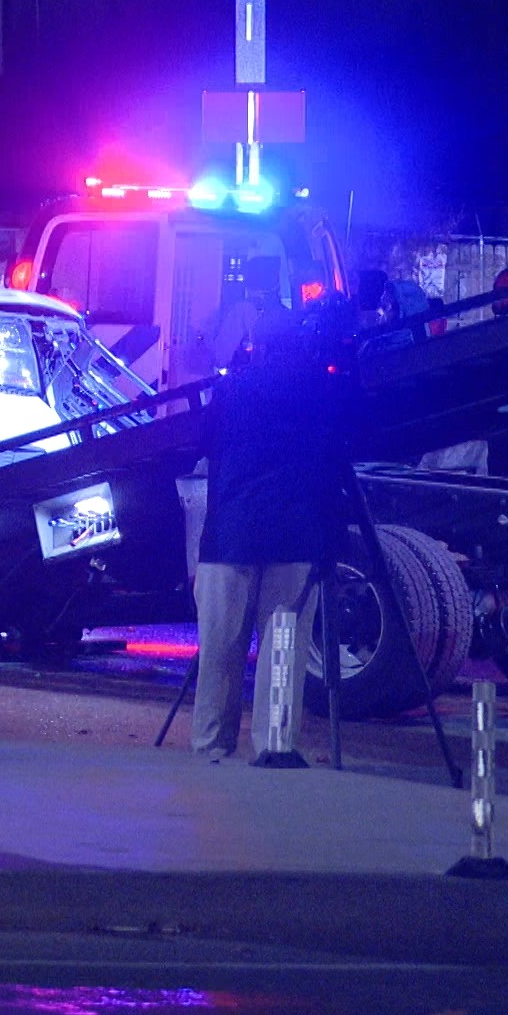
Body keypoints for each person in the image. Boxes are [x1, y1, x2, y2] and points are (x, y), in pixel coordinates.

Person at [190, 305, 347, 764]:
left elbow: (205, 445)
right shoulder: (319, 391)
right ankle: (275, 746)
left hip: (230, 537)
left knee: (220, 650)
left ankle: (211, 745)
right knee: (283, 649)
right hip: (294, 539)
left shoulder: (231, 389)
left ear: (257, 344)